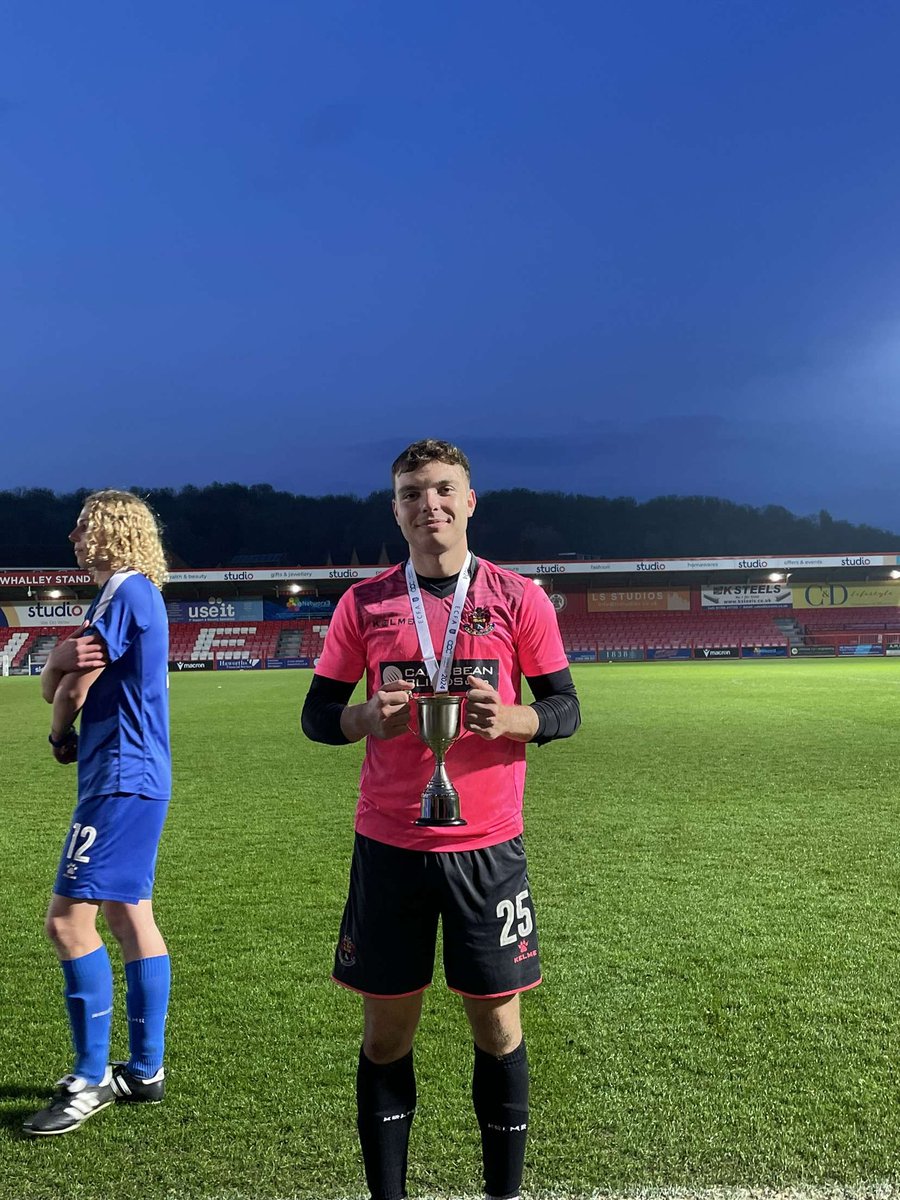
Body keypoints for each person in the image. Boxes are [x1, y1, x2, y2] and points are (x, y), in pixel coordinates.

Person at [302, 439, 581, 1200]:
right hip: (390, 845)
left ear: (470, 501)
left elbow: (565, 707)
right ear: (395, 510)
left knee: (498, 1030)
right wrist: (365, 717)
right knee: (386, 1036)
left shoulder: (519, 598)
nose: (430, 504)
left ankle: (503, 1196)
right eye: (412, 493)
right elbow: (317, 716)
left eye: (443, 489)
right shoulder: (363, 603)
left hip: (487, 848)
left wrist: (518, 718)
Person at [25, 490, 172, 1136]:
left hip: (116, 775)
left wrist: (59, 728)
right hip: (140, 775)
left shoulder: (122, 588)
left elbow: (72, 681)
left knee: (66, 923)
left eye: (83, 524)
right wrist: (55, 671)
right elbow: (65, 671)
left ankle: (89, 1080)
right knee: (129, 913)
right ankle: (144, 1069)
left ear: (113, 529)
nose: (73, 535)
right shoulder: (138, 593)